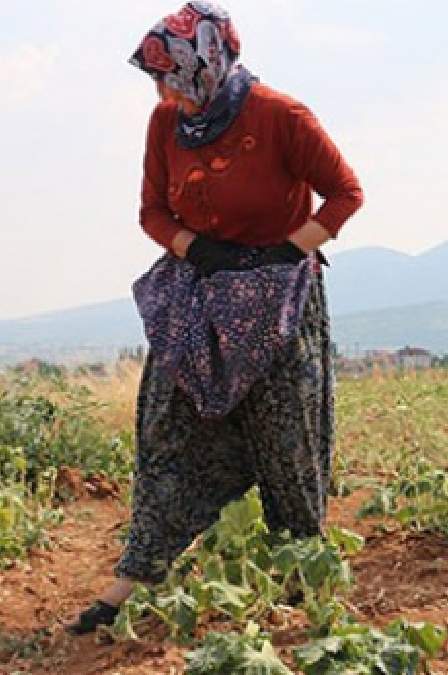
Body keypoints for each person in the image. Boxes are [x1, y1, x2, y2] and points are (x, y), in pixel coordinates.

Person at [67, 1, 363, 634]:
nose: (162, 93)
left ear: (205, 64)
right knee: (168, 433)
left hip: (280, 302)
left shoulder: (281, 116)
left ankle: (304, 585)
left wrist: (289, 250)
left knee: (287, 443)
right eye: (158, 80)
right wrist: (197, 249)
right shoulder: (165, 123)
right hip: (199, 297)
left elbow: (346, 194)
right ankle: (135, 578)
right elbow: (152, 212)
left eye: (169, 78)